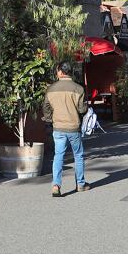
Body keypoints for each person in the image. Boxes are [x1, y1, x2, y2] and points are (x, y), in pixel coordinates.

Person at [42, 62, 89, 197]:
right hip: (74, 127)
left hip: (58, 127)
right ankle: (80, 184)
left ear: (61, 72)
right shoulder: (78, 89)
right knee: (78, 155)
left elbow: (46, 107)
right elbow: (82, 109)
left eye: (57, 71)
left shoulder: (51, 89)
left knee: (58, 156)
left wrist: (50, 119)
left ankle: (56, 185)